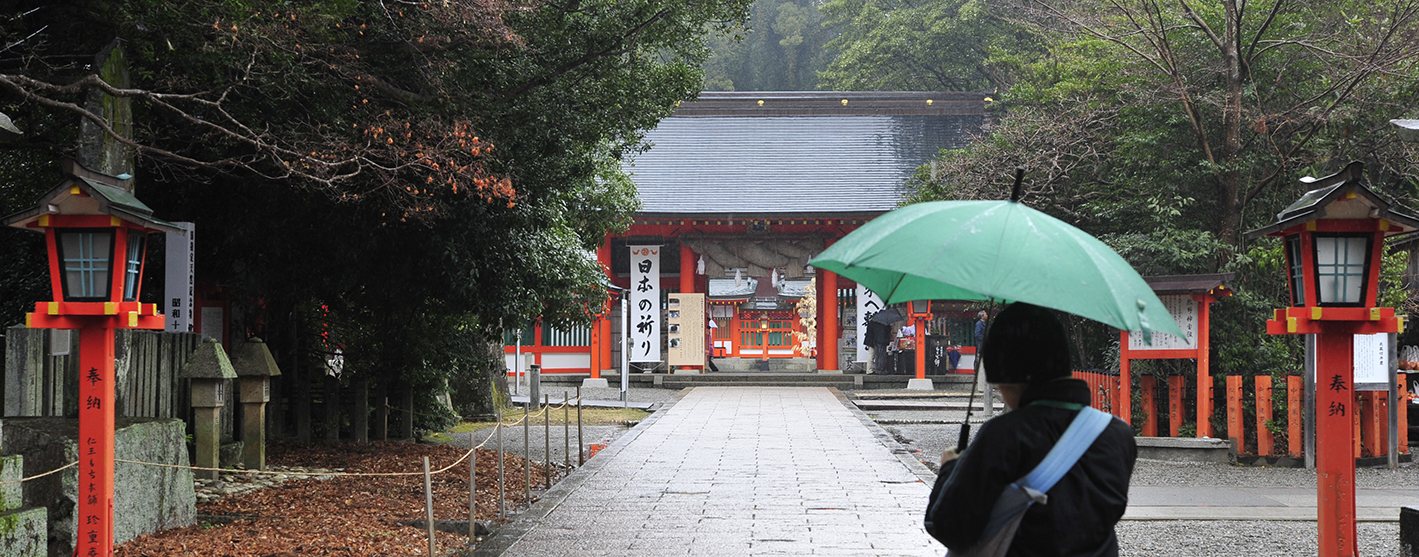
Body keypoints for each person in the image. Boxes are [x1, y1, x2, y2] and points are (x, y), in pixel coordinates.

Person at [925, 303, 1136, 557]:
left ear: (1012, 379)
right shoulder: (1118, 435)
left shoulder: (1005, 435)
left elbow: (950, 528)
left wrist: (950, 468)